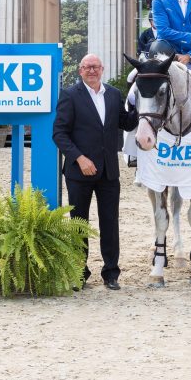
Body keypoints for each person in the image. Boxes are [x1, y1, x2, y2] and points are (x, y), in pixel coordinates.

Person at [52, 53, 139, 291]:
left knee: (110, 222)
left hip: (109, 172)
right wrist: (79, 158)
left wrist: (141, 104)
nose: (92, 70)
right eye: (87, 67)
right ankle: (79, 271)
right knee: (79, 222)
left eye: (96, 67)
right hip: (79, 172)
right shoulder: (70, 95)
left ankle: (111, 272)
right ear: (80, 70)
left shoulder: (113, 94)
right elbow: (59, 133)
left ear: (103, 69)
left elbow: (126, 123)